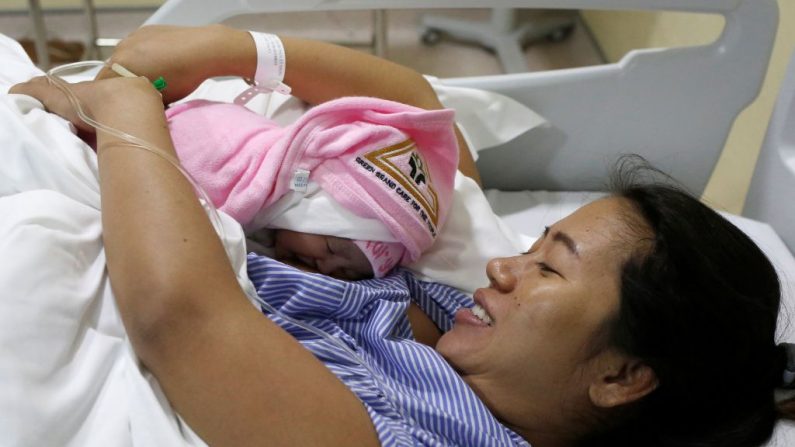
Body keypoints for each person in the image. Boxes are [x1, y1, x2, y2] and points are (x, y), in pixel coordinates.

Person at [10, 24, 793, 447]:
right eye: (532, 247)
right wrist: (237, 51)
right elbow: (420, 109)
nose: (503, 264)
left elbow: (180, 321)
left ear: (622, 376)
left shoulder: (428, 432)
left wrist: (124, 109)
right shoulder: (450, 317)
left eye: (548, 270)